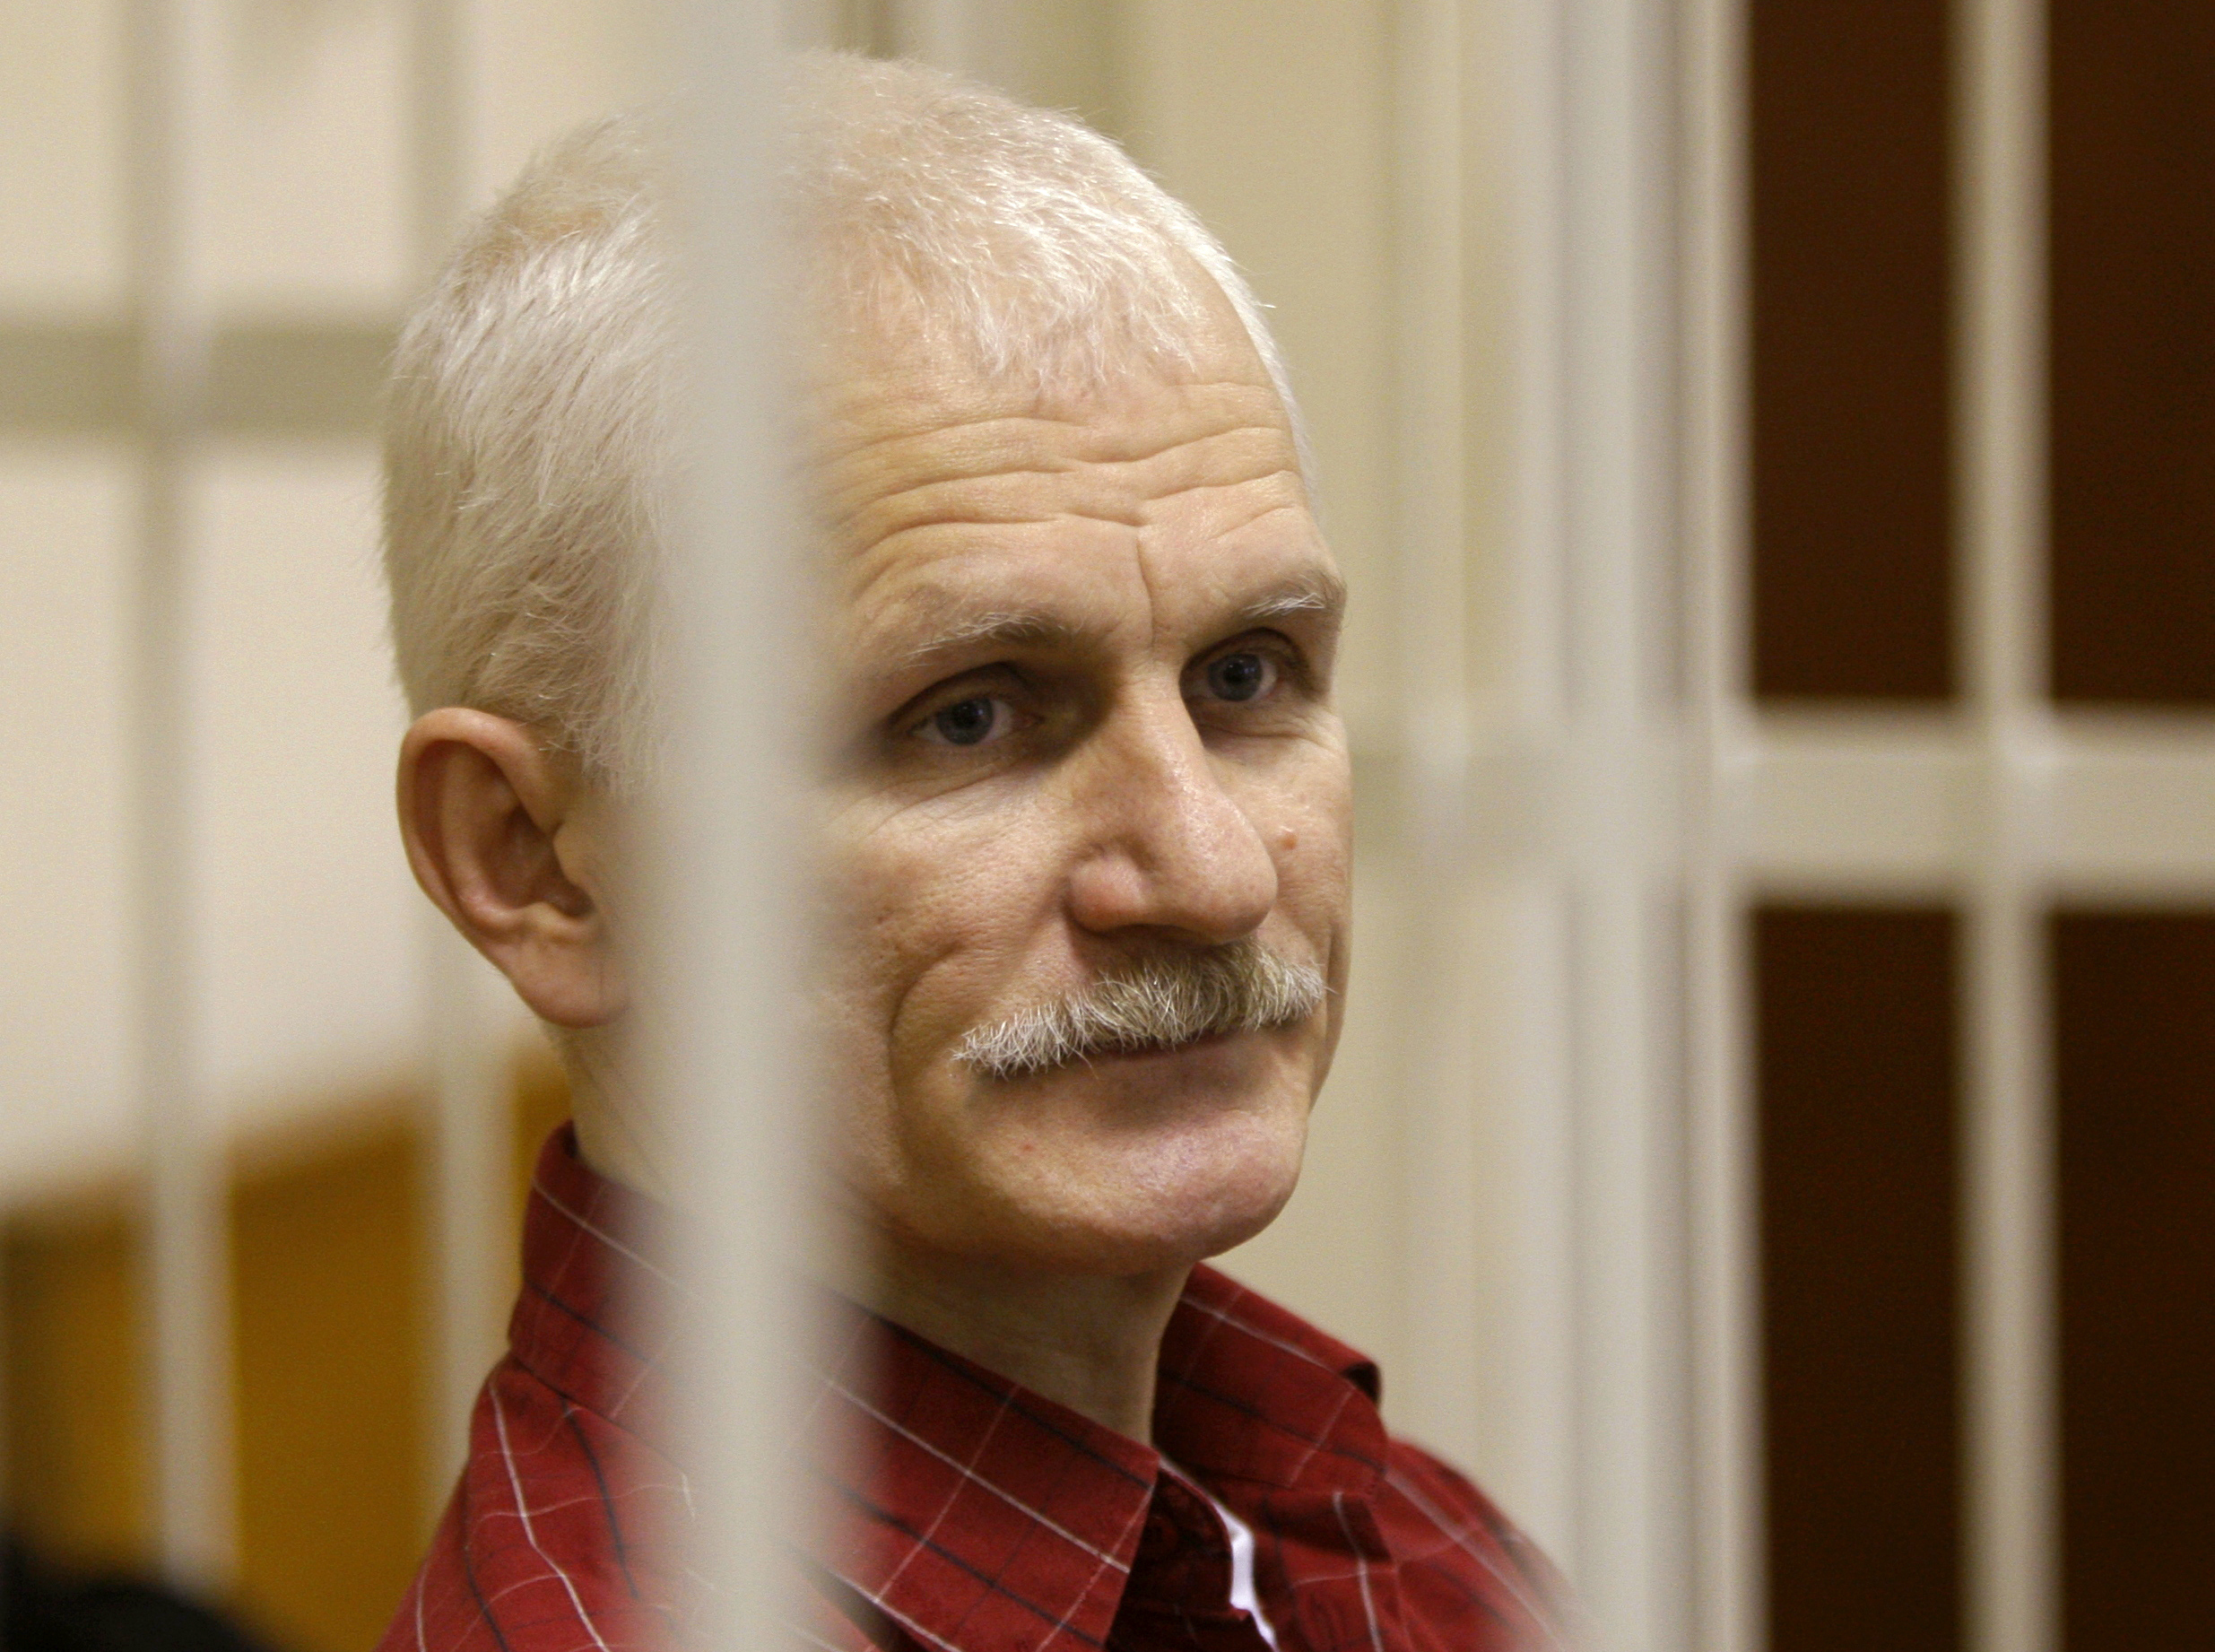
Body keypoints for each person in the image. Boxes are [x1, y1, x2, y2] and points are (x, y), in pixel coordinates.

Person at [378, 52, 1564, 1652]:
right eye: (970, 717)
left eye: (1244, 674)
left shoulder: (1394, 1536)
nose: (1213, 874)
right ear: (538, 865)